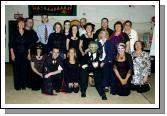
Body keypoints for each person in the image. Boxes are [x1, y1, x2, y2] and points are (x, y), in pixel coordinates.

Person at [9, 17, 29, 90]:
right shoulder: (14, 32)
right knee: (16, 70)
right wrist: (12, 54)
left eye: (22, 22)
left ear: (24, 24)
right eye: (20, 22)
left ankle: (23, 85)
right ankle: (17, 86)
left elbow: (28, 45)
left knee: (24, 70)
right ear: (17, 24)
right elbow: (11, 44)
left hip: (24, 54)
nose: (21, 24)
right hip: (16, 54)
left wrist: (29, 54)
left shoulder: (27, 33)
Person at [24, 17, 39, 88]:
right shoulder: (22, 31)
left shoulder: (33, 32)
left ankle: (29, 83)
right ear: (26, 22)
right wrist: (28, 53)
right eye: (29, 22)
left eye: (32, 22)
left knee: (31, 68)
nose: (31, 23)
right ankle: (24, 83)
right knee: (24, 68)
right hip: (23, 52)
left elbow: (36, 42)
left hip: (32, 53)